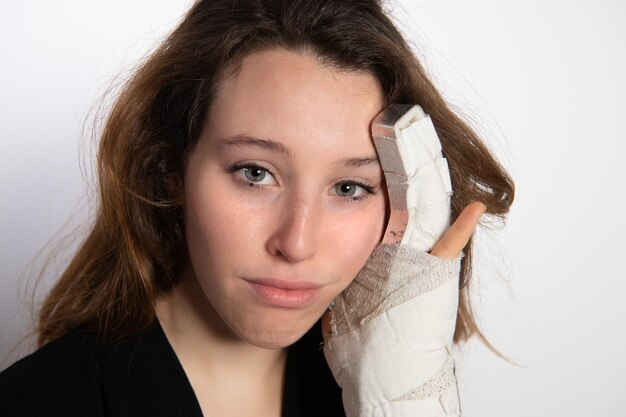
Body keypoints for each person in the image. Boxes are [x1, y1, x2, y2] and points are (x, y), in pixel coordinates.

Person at [0, 0, 514, 416]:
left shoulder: (371, 389)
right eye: (255, 173)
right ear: (169, 169)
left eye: (351, 188)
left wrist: (400, 407)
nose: (296, 243)